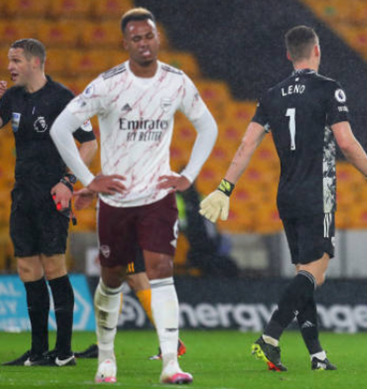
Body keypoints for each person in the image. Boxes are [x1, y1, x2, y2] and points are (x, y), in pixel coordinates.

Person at [199, 25, 367, 372]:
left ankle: (316, 355)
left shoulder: (271, 95)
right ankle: (270, 336)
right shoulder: (328, 89)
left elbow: (246, 145)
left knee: (304, 275)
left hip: (286, 193)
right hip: (317, 191)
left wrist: (225, 187)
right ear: (317, 50)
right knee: (314, 276)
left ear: (289, 55)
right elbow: (346, 142)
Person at [50, 7, 217, 384]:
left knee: (161, 270)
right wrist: (90, 180)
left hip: (158, 196)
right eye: (136, 38)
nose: (144, 43)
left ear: (158, 38)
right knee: (111, 279)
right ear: (125, 43)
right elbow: (61, 129)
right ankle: (106, 359)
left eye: (150, 36)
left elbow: (208, 126)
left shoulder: (176, 82)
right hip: (116, 202)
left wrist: (188, 175)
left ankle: (170, 364)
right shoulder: (108, 85)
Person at [0, 38, 98, 367]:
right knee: (27, 269)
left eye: (16, 60)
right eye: (9, 60)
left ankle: (63, 353)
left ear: (35, 62)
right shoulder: (12, 96)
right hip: (23, 192)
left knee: (53, 267)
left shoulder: (62, 98)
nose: (10, 67)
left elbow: (89, 143)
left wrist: (67, 181)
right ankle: (37, 352)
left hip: (52, 193)